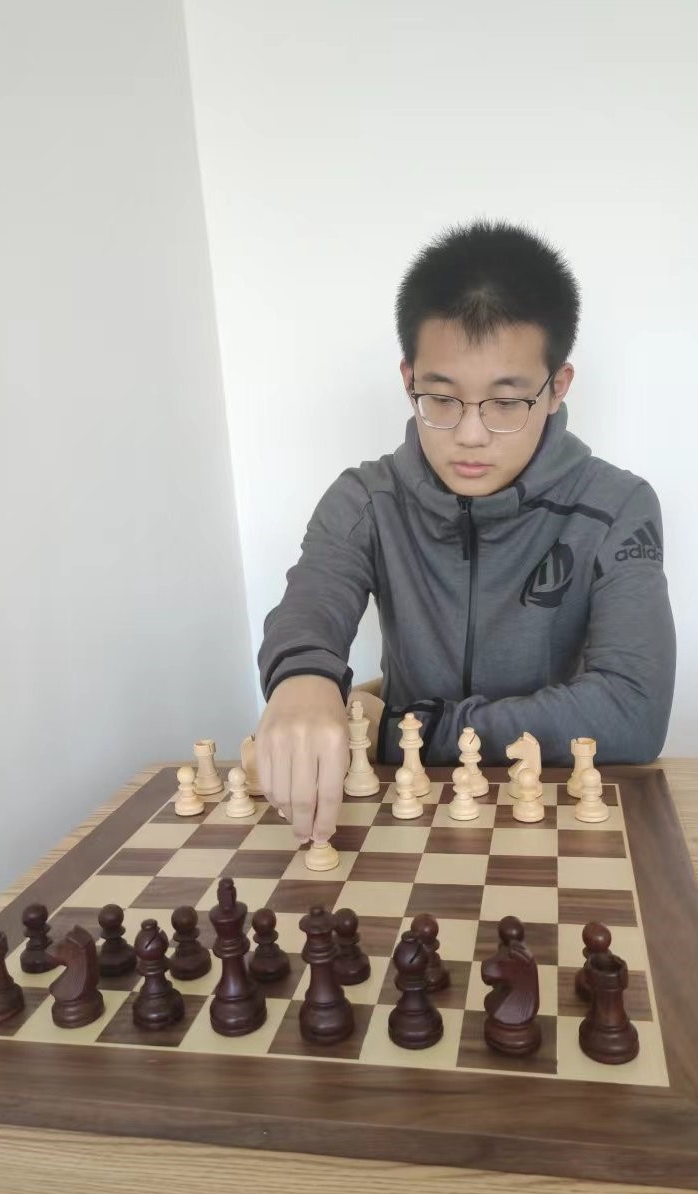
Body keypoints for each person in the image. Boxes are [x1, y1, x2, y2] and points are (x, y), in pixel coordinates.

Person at [254, 218, 676, 844]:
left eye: (506, 402)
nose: (470, 435)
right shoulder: (364, 500)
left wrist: (404, 728)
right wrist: (301, 679)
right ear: (408, 381)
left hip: (556, 813)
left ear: (556, 388)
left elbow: (632, 713)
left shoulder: (617, 505)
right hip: (406, 819)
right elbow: (312, 605)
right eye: (442, 398)